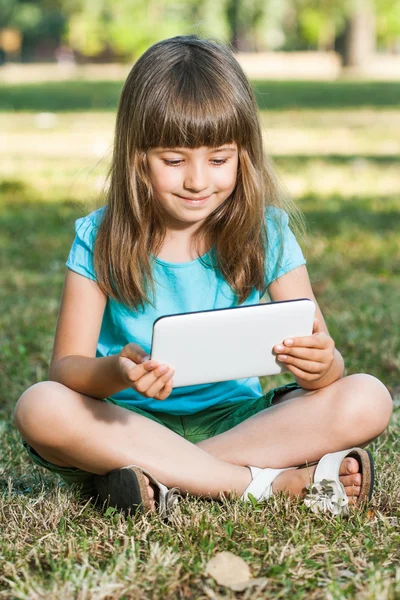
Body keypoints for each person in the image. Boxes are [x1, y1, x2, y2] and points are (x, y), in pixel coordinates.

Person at [14, 35, 392, 519]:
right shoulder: (99, 237)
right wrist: (117, 372)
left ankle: (159, 478)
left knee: (368, 397)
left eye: (219, 159)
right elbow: (66, 369)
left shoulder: (266, 234)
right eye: (174, 161)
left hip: (240, 422)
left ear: (244, 155)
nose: (197, 180)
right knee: (40, 406)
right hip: (129, 421)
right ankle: (262, 484)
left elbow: (327, 364)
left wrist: (324, 366)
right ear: (136, 157)